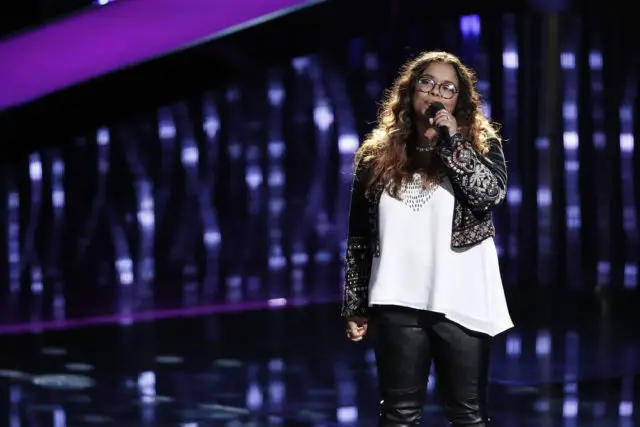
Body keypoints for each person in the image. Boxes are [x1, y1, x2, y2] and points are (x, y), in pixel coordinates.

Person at [341, 50, 514, 426]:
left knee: (467, 414)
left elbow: (487, 195)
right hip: (395, 298)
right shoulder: (375, 156)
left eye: (448, 88)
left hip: (461, 297)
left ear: (459, 100)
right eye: (427, 82)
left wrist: (452, 141)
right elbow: (359, 237)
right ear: (410, 90)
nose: (436, 91)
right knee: (398, 414)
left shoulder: (481, 146)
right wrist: (355, 304)